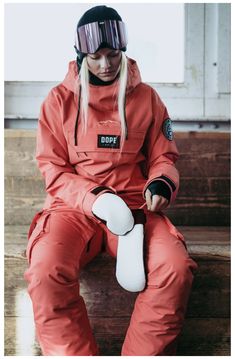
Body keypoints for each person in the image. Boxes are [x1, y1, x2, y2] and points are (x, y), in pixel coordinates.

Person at [24, 5, 197, 356]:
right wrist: (96, 199)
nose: (105, 64)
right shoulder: (57, 102)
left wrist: (161, 183)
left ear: (123, 51)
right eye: (96, 56)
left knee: (175, 269)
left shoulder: (147, 99)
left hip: (134, 210)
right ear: (80, 55)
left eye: (113, 55)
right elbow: (53, 169)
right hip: (74, 209)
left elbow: (164, 156)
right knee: (45, 271)